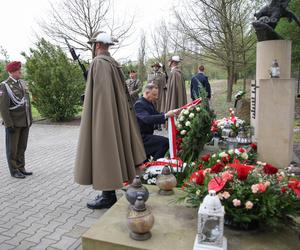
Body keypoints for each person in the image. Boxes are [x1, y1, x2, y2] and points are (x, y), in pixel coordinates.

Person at [74, 32, 146, 210]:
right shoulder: (113, 64)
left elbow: (100, 95)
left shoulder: (99, 62)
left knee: (104, 153)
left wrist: (98, 118)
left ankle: (108, 196)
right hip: (114, 114)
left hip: (104, 116)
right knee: (111, 152)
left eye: (93, 45)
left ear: (97, 45)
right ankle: (109, 192)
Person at [0, 61, 33, 178]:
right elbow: (3, 108)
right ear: (12, 72)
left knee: (22, 147)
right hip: (13, 122)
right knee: (12, 149)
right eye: (19, 70)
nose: (21, 72)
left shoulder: (22, 83)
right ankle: (14, 171)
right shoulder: (5, 85)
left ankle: (21, 167)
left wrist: (30, 119)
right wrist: (8, 124)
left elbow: (27, 103)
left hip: (24, 121)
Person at [134, 84, 179, 161]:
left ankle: (152, 163)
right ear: (147, 93)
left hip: (146, 136)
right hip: (141, 138)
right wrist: (166, 115)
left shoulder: (148, 103)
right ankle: (154, 165)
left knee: (162, 144)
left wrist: (170, 114)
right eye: (154, 95)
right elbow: (147, 119)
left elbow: (157, 115)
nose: (156, 97)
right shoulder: (139, 104)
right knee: (165, 142)